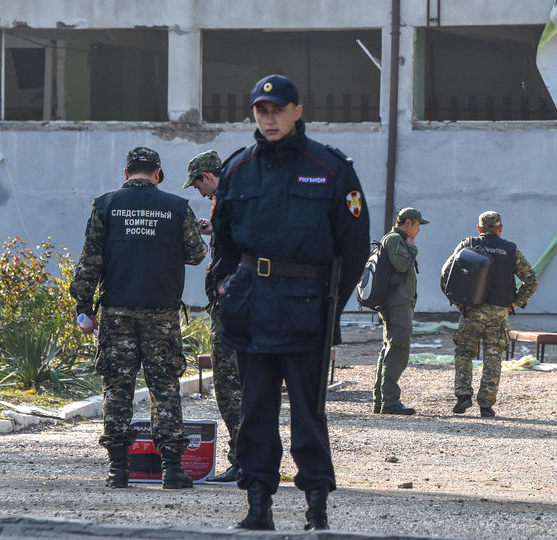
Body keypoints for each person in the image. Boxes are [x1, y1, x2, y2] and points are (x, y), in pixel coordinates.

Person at [208, 74, 370, 531]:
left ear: (297, 111)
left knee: (308, 416)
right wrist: (226, 286)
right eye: (261, 111)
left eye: (278, 109)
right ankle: (258, 507)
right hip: (252, 310)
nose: (269, 118)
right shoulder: (238, 168)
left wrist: (330, 309)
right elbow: (223, 240)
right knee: (255, 414)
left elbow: (354, 247)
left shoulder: (331, 168)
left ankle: (316, 508)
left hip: (306, 310)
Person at [69, 147, 207, 489]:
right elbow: (195, 254)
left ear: (126, 172)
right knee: (165, 386)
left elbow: (90, 260)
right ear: (157, 173)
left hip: (117, 311)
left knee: (117, 387)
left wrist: (83, 306)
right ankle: (172, 469)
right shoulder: (176, 207)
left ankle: (118, 469)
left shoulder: (106, 205)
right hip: (161, 312)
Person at [440, 211, 538, 418]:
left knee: (464, 353)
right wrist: (516, 303)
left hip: (471, 310)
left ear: (479, 228)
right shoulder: (511, 250)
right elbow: (531, 279)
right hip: (499, 312)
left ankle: (463, 395)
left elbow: (446, 274)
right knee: (493, 356)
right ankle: (486, 405)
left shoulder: (468, 244)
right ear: (500, 229)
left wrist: (457, 302)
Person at [183, 149, 242, 483]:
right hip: (238, 303)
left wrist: (229, 283)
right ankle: (251, 458)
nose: (200, 193)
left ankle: (243, 460)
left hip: (231, 307)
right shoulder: (236, 199)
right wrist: (213, 230)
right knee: (241, 383)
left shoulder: (229, 200)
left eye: (198, 186)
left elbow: (244, 248)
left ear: (206, 176)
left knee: (228, 383)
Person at [372, 207, 428, 416]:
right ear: (409, 222)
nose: (418, 230)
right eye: (418, 225)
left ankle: (381, 400)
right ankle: (390, 401)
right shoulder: (396, 239)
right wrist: (412, 249)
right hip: (397, 304)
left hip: (396, 303)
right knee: (398, 350)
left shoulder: (394, 239)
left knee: (389, 349)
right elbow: (402, 264)